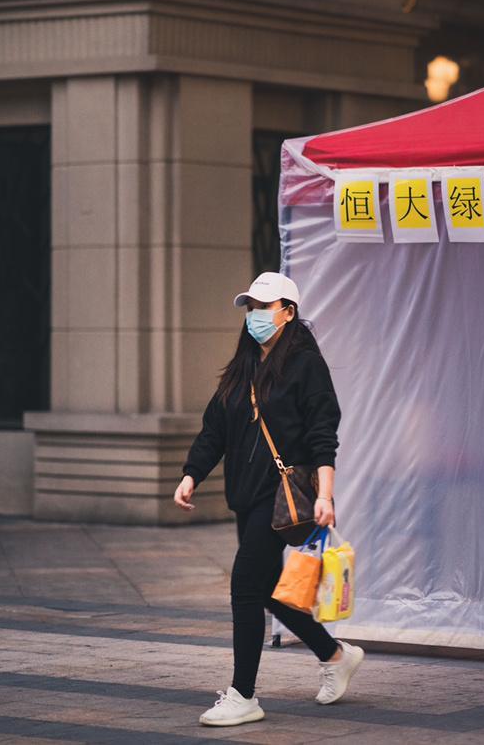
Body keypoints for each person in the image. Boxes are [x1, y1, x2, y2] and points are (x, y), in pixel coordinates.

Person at [174, 271, 365, 727]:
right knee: (267, 591)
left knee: (244, 586)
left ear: (288, 312)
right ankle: (335, 655)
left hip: (280, 498)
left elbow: (323, 433)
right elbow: (214, 429)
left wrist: (326, 493)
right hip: (246, 494)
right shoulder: (243, 367)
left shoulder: (304, 363)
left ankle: (243, 695)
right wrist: (191, 474)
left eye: (263, 307)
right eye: (250, 308)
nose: (254, 316)